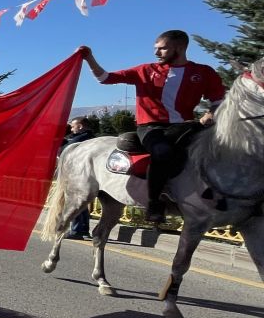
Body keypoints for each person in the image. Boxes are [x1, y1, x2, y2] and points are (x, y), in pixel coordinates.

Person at [81, 30, 225, 223]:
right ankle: (155, 203)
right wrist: (89, 58)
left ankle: (224, 194)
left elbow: (218, 99)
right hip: (151, 127)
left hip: (186, 126)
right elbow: (105, 78)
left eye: (162, 48)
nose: (157, 53)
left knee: (222, 148)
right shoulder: (145, 70)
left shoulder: (203, 72)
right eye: (155, 49)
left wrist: (211, 112)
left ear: (180, 48)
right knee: (162, 151)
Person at [61, 117, 95, 239]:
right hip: (87, 175)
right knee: (83, 204)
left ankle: (77, 231)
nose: (71, 129)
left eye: (72, 126)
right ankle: (83, 230)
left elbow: (66, 150)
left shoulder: (81, 138)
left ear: (80, 126)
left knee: (76, 201)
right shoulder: (90, 136)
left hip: (80, 175)